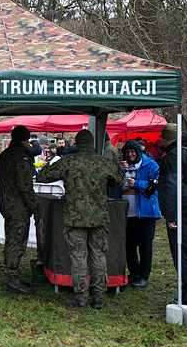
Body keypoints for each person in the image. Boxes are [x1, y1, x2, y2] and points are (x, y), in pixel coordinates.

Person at [36, 129, 125, 309]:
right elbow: (120, 181)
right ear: (92, 144)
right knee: (98, 255)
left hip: (74, 218)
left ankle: (81, 297)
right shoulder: (104, 163)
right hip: (99, 218)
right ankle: (99, 296)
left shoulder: (69, 162)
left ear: (77, 143)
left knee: (78, 257)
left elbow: (43, 176)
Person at [157, 123, 187, 308]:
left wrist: (171, 216)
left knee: (184, 256)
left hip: (183, 211)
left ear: (167, 139)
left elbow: (174, 185)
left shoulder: (175, 154)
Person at [0, 125, 39, 295]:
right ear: (26, 139)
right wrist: (35, 207)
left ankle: (12, 273)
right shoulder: (20, 157)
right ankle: (13, 279)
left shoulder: (5, 155)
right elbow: (25, 186)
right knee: (17, 242)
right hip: (18, 207)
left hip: (7, 204)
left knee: (11, 239)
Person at [117, 139, 160, 288]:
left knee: (145, 245)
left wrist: (136, 184)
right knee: (129, 245)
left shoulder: (150, 165)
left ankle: (144, 276)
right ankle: (134, 273)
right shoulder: (122, 166)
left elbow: (154, 184)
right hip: (128, 213)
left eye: (132, 152)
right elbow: (114, 184)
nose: (130, 155)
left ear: (138, 152)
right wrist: (118, 170)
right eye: (127, 152)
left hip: (146, 212)